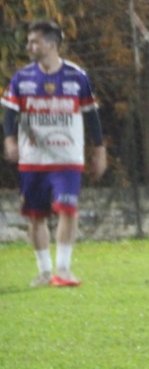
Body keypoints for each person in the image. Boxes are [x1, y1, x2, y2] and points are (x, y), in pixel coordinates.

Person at [2, 20, 107, 287]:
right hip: (33, 160)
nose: (29, 46)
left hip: (67, 158)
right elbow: (10, 115)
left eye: (34, 41)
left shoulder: (76, 77)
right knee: (36, 216)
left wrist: (99, 149)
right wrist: (10, 141)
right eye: (29, 41)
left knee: (68, 210)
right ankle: (44, 271)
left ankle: (63, 270)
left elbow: (92, 116)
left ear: (51, 44)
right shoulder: (21, 78)